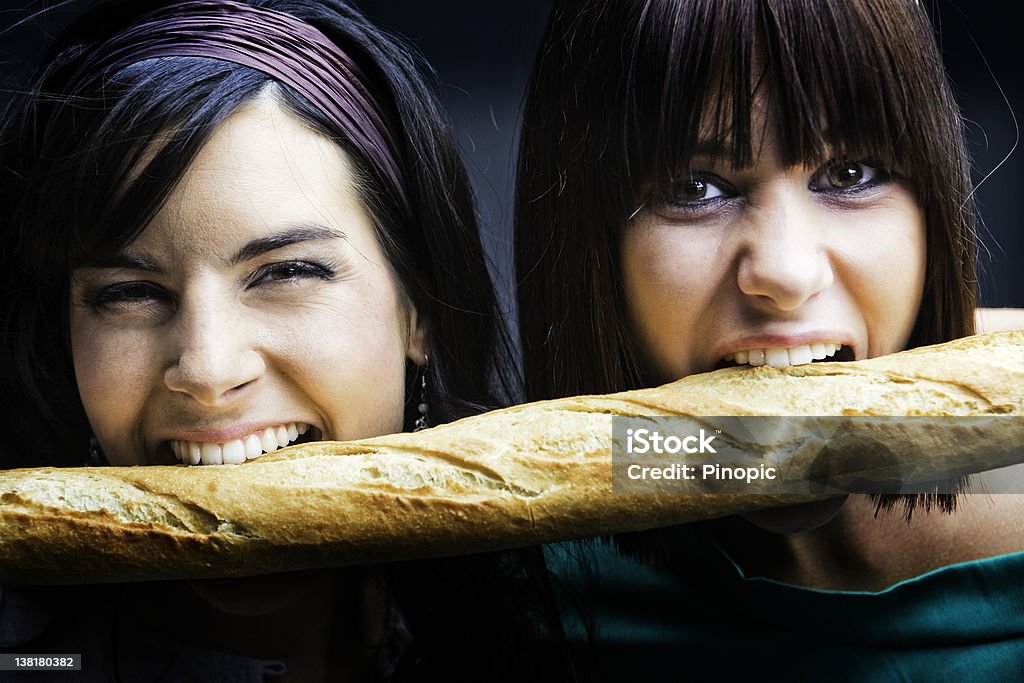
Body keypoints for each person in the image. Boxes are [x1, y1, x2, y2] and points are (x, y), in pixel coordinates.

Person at [0, 1, 567, 680]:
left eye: (288, 271)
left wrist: (729, 456)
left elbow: (727, 450)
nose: (208, 371)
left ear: (420, 308)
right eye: (129, 291)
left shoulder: (588, 580)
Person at [515, 0, 1024, 679]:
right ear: (590, 238)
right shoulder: (519, 582)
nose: (786, 273)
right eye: (695, 188)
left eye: (850, 175)